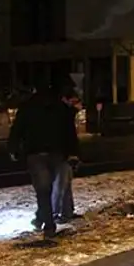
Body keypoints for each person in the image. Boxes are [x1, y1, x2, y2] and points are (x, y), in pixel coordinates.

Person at [8, 84, 80, 237]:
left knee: (43, 191)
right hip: (57, 152)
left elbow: (17, 130)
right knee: (53, 188)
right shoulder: (60, 108)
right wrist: (73, 152)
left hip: (35, 153)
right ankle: (43, 219)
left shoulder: (27, 107)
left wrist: (13, 149)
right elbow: (70, 131)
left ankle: (47, 223)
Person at [52, 90, 83, 222]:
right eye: (75, 101)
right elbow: (69, 136)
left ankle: (67, 212)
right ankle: (55, 213)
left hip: (63, 153)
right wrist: (72, 153)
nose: (79, 105)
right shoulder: (64, 114)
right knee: (60, 184)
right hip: (62, 154)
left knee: (65, 184)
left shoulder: (64, 112)